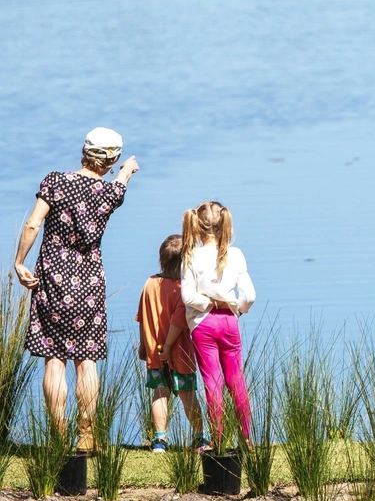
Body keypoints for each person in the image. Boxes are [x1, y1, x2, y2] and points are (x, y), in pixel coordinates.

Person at [14, 127, 139, 450]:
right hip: (89, 282)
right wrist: (125, 172)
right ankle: (86, 436)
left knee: (54, 359)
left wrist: (19, 261)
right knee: (87, 361)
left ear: (84, 152)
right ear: (111, 160)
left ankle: (58, 437)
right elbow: (119, 185)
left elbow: (33, 223)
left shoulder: (55, 181)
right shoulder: (110, 193)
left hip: (52, 278)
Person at [163, 201, 255, 444]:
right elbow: (249, 296)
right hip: (229, 323)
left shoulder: (191, 256)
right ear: (225, 223)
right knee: (236, 380)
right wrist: (235, 308)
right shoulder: (235, 254)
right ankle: (246, 437)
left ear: (198, 226)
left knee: (212, 381)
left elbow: (188, 297)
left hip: (203, 325)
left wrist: (209, 303)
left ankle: (218, 438)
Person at [136, 235, 207, 452]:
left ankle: (159, 439)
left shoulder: (149, 284)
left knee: (159, 392)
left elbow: (142, 316)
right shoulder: (181, 289)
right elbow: (178, 322)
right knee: (188, 394)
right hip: (179, 351)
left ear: (161, 260)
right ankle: (199, 437)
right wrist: (168, 347)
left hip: (154, 350)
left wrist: (143, 344)